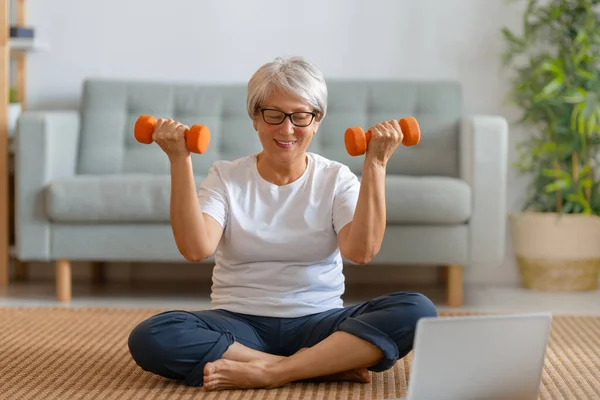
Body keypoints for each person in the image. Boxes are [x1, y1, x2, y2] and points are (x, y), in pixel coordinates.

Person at [127, 56, 437, 391]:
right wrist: (179, 158)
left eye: (300, 116)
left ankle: (271, 372)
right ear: (255, 118)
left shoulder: (336, 179)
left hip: (321, 324)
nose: (286, 129)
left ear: (317, 121)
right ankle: (319, 366)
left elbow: (360, 252)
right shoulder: (226, 177)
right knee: (152, 335)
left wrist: (376, 162)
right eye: (273, 115)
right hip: (238, 325)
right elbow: (195, 248)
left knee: (416, 309)